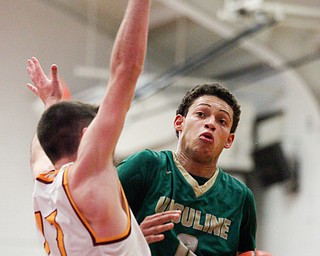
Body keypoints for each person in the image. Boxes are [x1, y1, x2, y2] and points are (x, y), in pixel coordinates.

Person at [26, 0, 151, 255]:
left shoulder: (43, 181)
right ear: (87, 137)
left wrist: (51, 103)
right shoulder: (86, 177)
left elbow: (43, 143)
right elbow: (125, 70)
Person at [117, 82, 257, 255]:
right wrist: (131, 241)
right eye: (201, 114)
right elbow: (90, 224)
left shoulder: (241, 197)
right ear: (179, 122)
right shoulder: (146, 165)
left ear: (229, 139)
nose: (211, 123)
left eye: (222, 121)